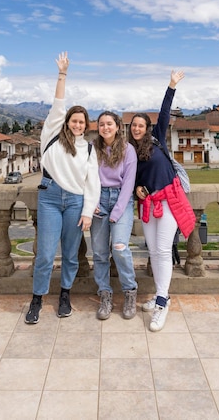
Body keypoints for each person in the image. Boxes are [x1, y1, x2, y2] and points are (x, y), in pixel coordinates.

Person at [25, 52, 101, 324]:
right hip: (50, 198)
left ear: (86, 125)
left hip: (75, 202)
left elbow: (93, 182)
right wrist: (62, 74)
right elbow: (58, 105)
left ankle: (65, 295)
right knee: (45, 253)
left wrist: (88, 212)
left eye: (82, 122)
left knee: (71, 254)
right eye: (73, 120)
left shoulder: (89, 148)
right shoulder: (52, 136)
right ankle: (37, 299)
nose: (77, 124)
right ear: (67, 122)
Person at [128, 70, 195, 332]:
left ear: (146, 128)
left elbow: (165, 112)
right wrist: (136, 189)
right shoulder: (129, 151)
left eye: (140, 125)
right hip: (147, 205)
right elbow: (128, 178)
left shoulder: (157, 140)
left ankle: (162, 302)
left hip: (168, 201)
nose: (136, 128)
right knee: (153, 251)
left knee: (164, 250)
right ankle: (160, 295)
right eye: (133, 125)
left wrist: (171, 85)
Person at [91, 111, 138, 320]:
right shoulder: (93, 150)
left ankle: (129, 291)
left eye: (109, 124)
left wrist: (117, 212)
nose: (105, 128)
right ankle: (105, 294)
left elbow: (128, 184)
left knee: (119, 246)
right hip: (99, 201)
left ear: (117, 126)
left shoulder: (128, 151)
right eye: (102, 124)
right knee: (100, 253)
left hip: (121, 200)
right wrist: (92, 203)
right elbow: (88, 177)